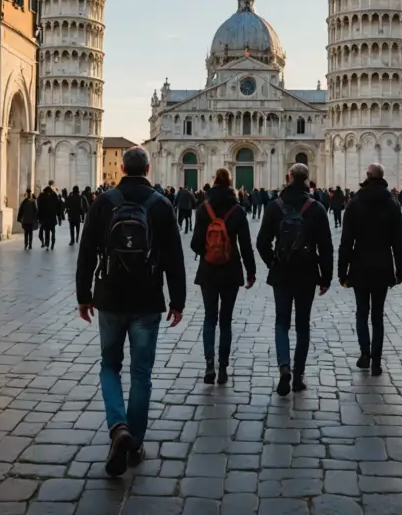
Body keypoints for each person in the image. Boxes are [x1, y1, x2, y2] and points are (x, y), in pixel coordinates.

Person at [76, 147, 186, 477]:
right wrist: (177, 301)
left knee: (109, 365)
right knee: (141, 373)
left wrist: (84, 296)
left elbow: (86, 254)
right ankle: (135, 442)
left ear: (122, 168)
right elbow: (174, 258)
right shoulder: (161, 204)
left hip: (109, 297)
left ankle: (118, 427)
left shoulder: (103, 202)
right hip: (148, 298)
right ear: (149, 168)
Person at [257, 163, 333, 395]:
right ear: (307, 180)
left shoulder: (274, 206)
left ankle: (284, 368)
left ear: (289, 177)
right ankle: (298, 375)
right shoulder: (316, 208)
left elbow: (261, 243)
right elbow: (326, 247)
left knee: (282, 322)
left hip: (282, 274)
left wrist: (273, 262)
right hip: (307, 274)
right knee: (302, 325)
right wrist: (326, 277)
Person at [338, 163, 402, 376]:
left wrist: (342, 271)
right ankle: (376, 360)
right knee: (377, 315)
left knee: (362, 312)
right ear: (382, 177)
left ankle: (365, 354)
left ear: (367, 176)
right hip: (383, 265)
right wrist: (400, 269)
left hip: (360, 265)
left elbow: (346, 241)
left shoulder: (355, 202)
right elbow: (399, 241)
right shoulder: (392, 203)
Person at [190, 167, 256, 385]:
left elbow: (195, 244)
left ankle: (209, 364)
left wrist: (208, 251)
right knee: (225, 321)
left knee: (210, 318)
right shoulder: (237, 210)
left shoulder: (203, 209)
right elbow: (246, 245)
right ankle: (224, 368)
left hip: (208, 271)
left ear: (213, 181)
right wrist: (251, 272)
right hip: (231, 271)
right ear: (230, 183)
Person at [37, 182, 62, 250]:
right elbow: (58, 204)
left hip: (45, 218)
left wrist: (39, 217)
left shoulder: (42, 196)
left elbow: (39, 206)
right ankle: (52, 243)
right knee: (53, 231)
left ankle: (47, 244)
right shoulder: (54, 195)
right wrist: (58, 215)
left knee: (47, 232)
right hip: (52, 217)